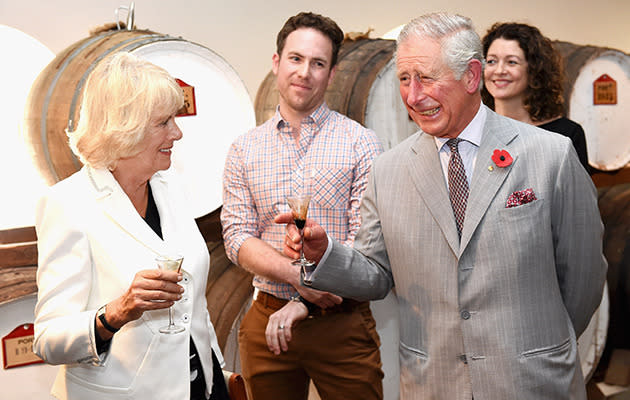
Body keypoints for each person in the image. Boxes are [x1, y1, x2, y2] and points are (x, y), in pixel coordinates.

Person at [280, 12, 607, 400]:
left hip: (532, 382)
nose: (413, 96)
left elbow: (583, 274)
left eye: (427, 78)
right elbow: (375, 274)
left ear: (471, 76)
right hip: (434, 384)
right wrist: (324, 255)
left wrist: (541, 345)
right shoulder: (388, 171)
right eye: (404, 79)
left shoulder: (549, 155)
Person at [33, 52, 229, 400]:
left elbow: (194, 306)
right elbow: (47, 340)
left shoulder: (169, 187)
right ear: (126, 128)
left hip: (201, 385)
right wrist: (120, 310)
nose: (178, 133)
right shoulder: (68, 204)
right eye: (164, 122)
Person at [221, 11, 384, 400]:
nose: (304, 72)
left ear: (331, 74)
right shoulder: (244, 149)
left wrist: (305, 302)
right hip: (266, 322)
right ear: (277, 63)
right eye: (295, 59)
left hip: (341, 322)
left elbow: (365, 246)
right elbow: (236, 235)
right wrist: (297, 278)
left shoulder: (361, 143)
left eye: (318, 63)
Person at [481, 22, 590, 171]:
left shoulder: (566, 134)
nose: (499, 70)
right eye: (491, 61)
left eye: (511, 62)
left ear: (534, 69)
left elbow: (578, 193)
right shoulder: (475, 130)